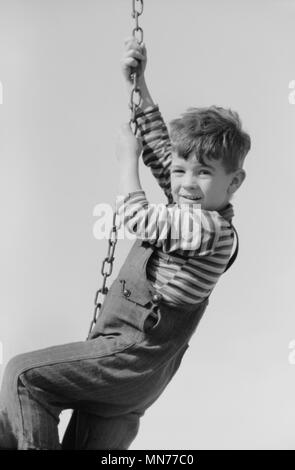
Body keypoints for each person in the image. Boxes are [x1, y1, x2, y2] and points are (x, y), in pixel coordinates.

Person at [0, 37, 251, 450]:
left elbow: (138, 217)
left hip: (129, 358)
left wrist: (125, 163)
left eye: (204, 172)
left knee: (24, 376)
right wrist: (140, 83)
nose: (187, 182)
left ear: (234, 182)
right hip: (130, 383)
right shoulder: (188, 210)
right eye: (182, 170)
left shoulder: (209, 230)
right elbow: (160, 151)